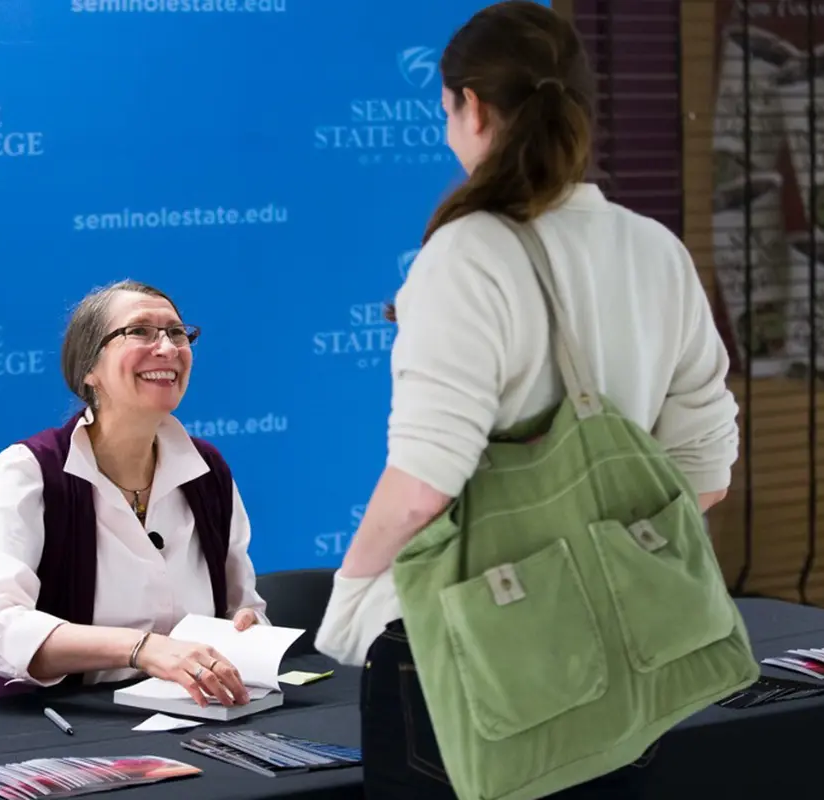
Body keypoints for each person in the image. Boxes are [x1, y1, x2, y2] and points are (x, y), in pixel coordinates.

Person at [315, 1, 738, 797]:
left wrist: (351, 589)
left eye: (447, 112)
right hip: (628, 657)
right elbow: (706, 475)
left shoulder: (468, 254)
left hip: (476, 657)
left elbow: (422, 485)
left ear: (472, 106)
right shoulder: (656, 250)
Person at [0, 279, 268, 708]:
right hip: (67, 727)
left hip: (195, 714)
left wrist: (246, 627)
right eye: (139, 331)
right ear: (89, 367)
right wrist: (143, 648)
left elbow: (242, 605)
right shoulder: (31, 470)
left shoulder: (207, 469)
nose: (167, 348)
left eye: (177, 333)